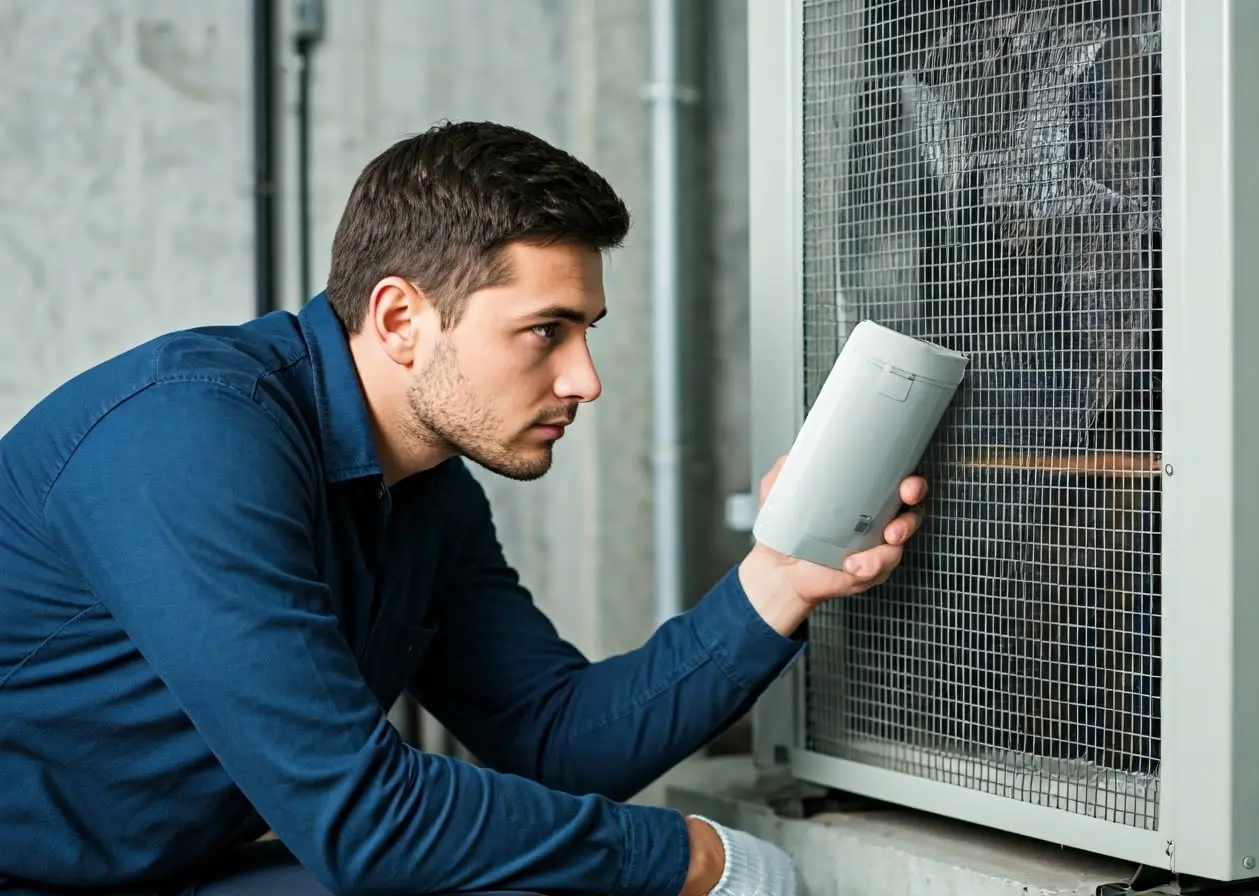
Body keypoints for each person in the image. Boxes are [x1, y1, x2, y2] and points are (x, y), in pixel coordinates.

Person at [0, 121, 927, 896]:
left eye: (586, 332)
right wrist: (688, 857)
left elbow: (554, 741)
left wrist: (774, 584)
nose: (585, 380)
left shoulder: (427, 493)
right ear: (402, 320)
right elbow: (365, 821)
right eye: (544, 332)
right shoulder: (186, 438)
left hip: (170, 873)